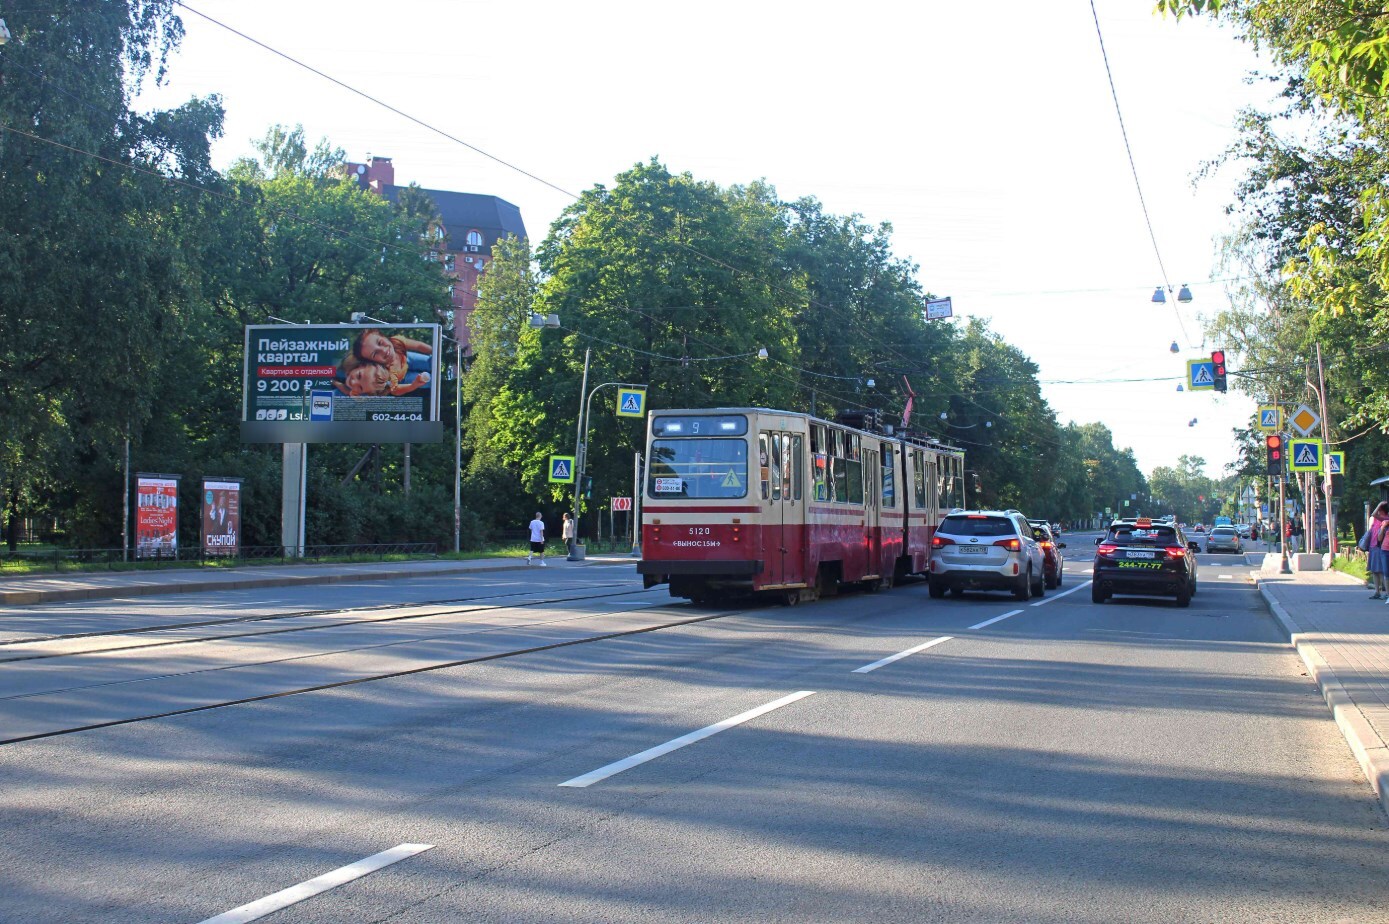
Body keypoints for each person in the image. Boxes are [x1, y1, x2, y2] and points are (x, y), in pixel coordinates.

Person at [1369, 503, 1389, 599]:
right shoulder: (1378, 519)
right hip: (1373, 546)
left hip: (1380, 546)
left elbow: (1373, 514)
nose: (1377, 511)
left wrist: (1379, 504)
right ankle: (1377, 592)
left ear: (1382, 510)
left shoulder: (1385, 519)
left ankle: (1385, 591)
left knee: (1382, 571)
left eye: (1379, 509)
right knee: (1374, 570)